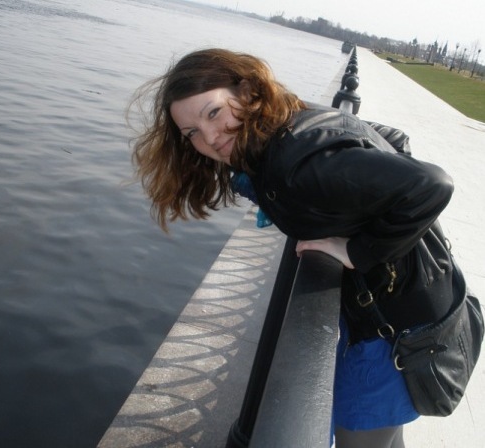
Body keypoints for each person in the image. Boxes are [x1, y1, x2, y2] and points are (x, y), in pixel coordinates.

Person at [127, 48, 455, 448]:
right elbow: (392, 139)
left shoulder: (297, 163)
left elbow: (431, 185)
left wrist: (358, 251)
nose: (209, 137)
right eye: (191, 132)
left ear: (247, 91)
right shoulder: (287, 122)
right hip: (406, 302)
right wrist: (348, 212)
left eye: (213, 113)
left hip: (396, 329)